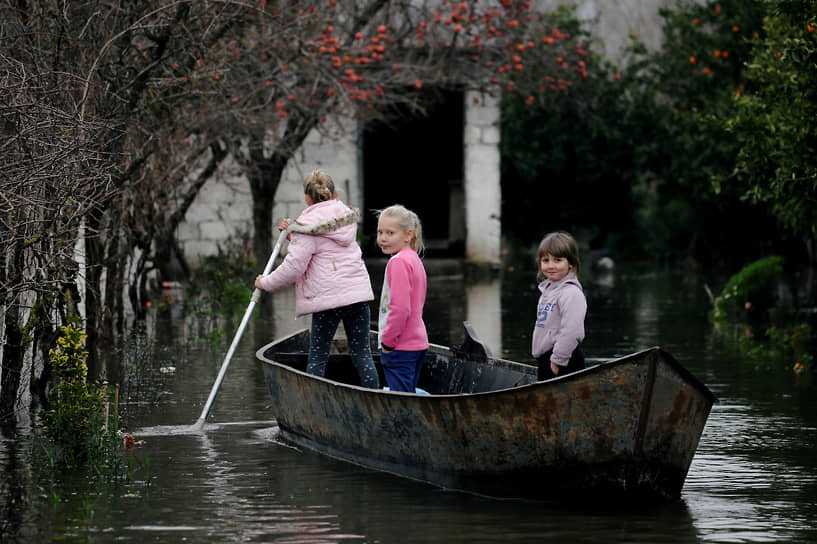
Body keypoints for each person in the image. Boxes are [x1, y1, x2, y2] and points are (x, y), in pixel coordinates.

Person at [254, 170, 379, 389]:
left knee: (318, 358)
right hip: (357, 298)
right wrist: (295, 235)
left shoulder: (306, 225)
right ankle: (377, 401)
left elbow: (293, 268)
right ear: (335, 194)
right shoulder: (346, 218)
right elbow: (326, 244)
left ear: (306, 198)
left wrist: (265, 282)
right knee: (363, 356)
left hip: (327, 302)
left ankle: (316, 402)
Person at [375, 204, 428, 393]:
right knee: (408, 395)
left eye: (390, 233)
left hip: (400, 347)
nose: (382, 238)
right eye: (380, 232)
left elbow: (400, 309)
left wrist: (388, 342)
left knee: (401, 403)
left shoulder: (398, 262)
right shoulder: (414, 259)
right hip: (418, 343)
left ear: (408, 235)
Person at [531, 231, 587, 381]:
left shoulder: (571, 293)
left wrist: (557, 360)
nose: (551, 266)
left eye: (557, 260)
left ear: (570, 263)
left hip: (564, 361)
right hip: (547, 359)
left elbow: (572, 331)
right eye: (545, 260)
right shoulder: (547, 291)